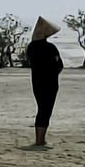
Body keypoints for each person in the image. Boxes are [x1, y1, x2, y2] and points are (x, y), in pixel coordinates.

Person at [26, 16, 64, 146]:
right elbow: (59, 65)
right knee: (46, 110)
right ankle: (40, 139)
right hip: (50, 82)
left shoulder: (31, 47)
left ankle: (39, 138)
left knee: (41, 108)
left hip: (36, 81)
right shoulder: (50, 48)